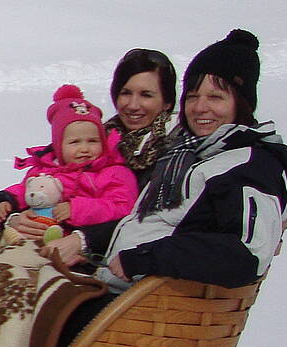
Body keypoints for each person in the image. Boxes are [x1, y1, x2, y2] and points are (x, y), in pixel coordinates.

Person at [49, 31, 287, 347]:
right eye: (194, 95)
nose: (202, 107)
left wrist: (145, 259)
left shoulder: (251, 164)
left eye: (217, 96)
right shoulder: (189, 152)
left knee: (15, 312)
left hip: (145, 315)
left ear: (241, 103)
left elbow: (245, 252)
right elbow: (147, 222)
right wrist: (85, 241)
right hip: (126, 296)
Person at [30, 48, 179, 261]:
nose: (133, 105)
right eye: (126, 93)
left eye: (146, 95)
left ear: (166, 102)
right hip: (60, 242)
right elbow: (48, 174)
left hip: (125, 263)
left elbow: (150, 220)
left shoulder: (173, 152)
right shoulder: (97, 137)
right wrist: (17, 215)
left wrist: (84, 240)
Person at [0, 85, 138, 238]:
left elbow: (123, 206)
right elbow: (25, 190)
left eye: (92, 141)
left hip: (72, 246)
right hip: (32, 236)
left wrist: (77, 209)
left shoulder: (113, 172)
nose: (84, 149)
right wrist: (6, 201)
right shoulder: (43, 170)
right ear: (59, 145)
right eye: (75, 142)